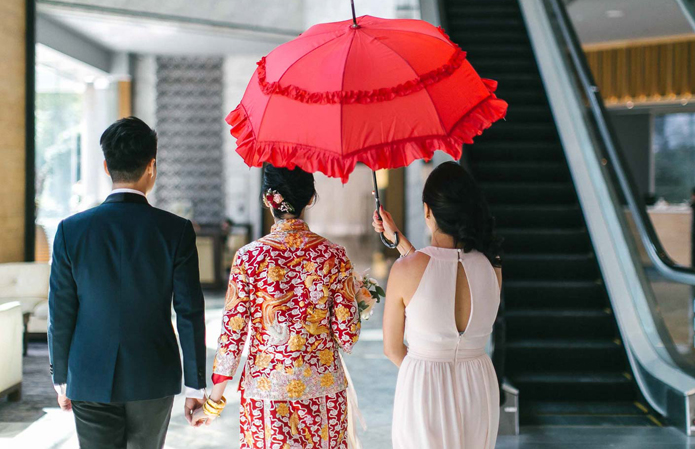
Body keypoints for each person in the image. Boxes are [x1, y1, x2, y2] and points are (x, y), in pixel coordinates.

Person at [48, 117, 207, 449]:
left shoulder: (70, 230)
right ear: (151, 166)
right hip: (153, 374)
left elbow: (61, 311)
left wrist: (61, 376)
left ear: (106, 166)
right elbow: (190, 311)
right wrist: (195, 386)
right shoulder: (175, 230)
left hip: (88, 374)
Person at [190, 164, 361, 449]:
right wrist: (355, 300)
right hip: (324, 395)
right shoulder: (334, 256)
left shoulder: (248, 258)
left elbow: (232, 339)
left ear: (268, 199)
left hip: (267, 396)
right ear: (310, 199)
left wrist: (212, 405)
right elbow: (348, 337)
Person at [373, 161, 502, 449]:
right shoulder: (493, 267)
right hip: (478, 383)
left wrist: (425, 369)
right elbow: (447, 270)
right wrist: (400, 242)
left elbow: (392, 348)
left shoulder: (405, 271)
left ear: (428, 211)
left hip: (424, 386)